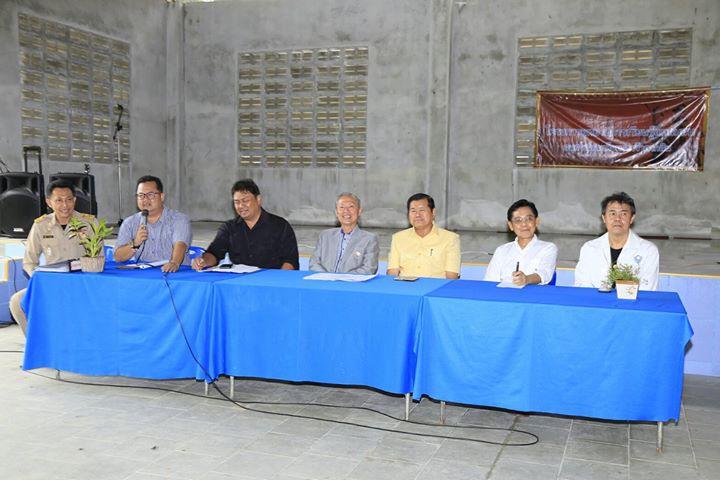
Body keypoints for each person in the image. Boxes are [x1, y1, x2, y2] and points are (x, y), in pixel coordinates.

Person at [9, 179, 99, 336]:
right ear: (49, 202)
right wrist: (39, 279)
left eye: (69, 199)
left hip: (81, 284)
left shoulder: (89, 223)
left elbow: (98, 258)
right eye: (59, 200)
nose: (65, 205)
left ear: (75, 200)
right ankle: (37, 345)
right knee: (17, 302)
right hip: (51, 284)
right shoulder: (41, 225)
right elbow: (29, 261)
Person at [192, 179, 298, 270]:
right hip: (238, 282)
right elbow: (214, 253)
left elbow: (290, 261)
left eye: (245, 201)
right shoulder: (229, 228)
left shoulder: (280, 226)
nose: (240, 206)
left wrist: (278, 281)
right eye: (236, 202)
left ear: (258, 200)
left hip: (270, 282)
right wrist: (204, 261)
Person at [575, 192, 659, 290]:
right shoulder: (589, 248)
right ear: (604, 218)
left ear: (632, 218)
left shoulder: (648, 251)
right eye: (612, 213)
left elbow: (648, 290)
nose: (617, 219)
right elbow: (581, 286)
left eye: (623, 214)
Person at [114, 176, 192, 273]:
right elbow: (118, 257)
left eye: (150, 195)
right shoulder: (129, 223)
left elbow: (180, 245)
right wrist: (135, 244)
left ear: (162, 196)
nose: (145, 199)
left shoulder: (179, 219)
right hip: (143, 275)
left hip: (172, 274)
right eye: (141, 195)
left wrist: (174, 263)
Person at [387, 193, 461, 279]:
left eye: (422, 210)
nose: (417, 215)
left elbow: (452, 277)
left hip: (436, 287)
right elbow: (392, 274)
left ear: (433, 212)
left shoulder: (450, 239)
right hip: (405, 286)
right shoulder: (398, 238)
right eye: (413, 211)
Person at [484, 199, 558, 286]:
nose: (524, 224)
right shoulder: (502, 250)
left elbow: (545, 274)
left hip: (534, 294)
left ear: (536, 221)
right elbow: (490, 280)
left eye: (529, 219)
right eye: (518, 220)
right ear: (511, 225)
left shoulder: (548, 248)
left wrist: (526, 279)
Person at [309, 193, 379, 274]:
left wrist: (341, 278)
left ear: (359, 211)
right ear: (336, 212)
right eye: (341, 207)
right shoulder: (325, 236)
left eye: (351, 206)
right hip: (324, 281)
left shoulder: (369, 239)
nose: (346, 211)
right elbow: (314, 263)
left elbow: (369, 269)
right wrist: (328, 277)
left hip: (351, 282)